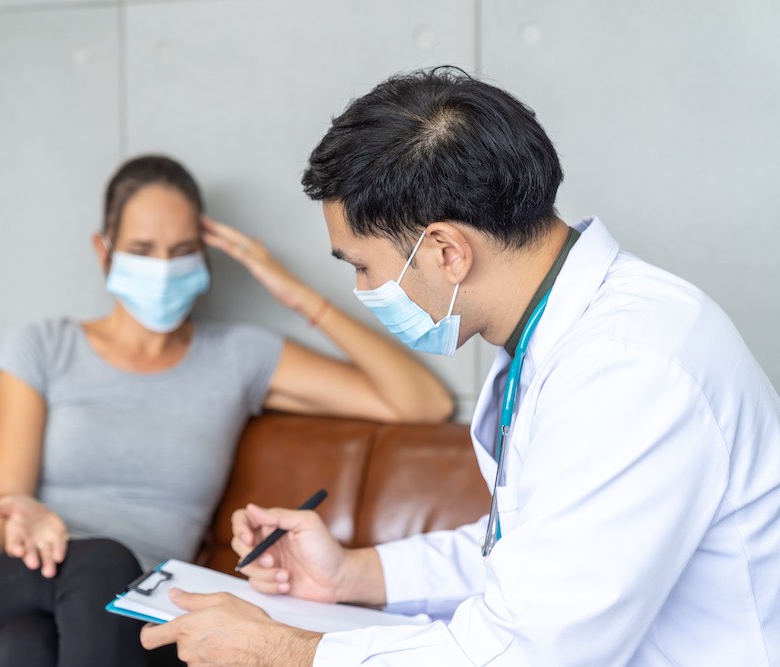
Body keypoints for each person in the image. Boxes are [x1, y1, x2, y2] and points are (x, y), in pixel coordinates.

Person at [139, 67, 780, 665]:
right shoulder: (559, 332)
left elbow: (529, 650)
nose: (363, 290)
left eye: (362, 266)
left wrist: (284, 649)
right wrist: (350, 574)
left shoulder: (627, 367)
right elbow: (528, 554)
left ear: (447, 250)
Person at [0, 154, 454, 667]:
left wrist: (290, 290)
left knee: (25, 651)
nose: (162, 268)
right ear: (103, 251)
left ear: (204, 256)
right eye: (142, 249)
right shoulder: (44, 345)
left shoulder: (238, 357)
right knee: (101, 563)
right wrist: (23, 518)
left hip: (139, 613)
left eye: (180, 250)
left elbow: (420, 401)